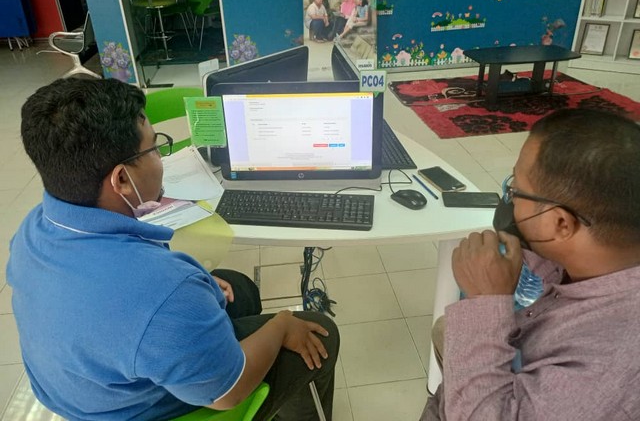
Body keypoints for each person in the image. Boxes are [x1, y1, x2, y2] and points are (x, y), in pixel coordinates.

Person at [7, 78, 339, 421]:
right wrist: (282, 326)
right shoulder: (164, 289)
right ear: (121, 179)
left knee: (238, 288)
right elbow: (227, 392)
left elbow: (129, 301)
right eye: (153, 149)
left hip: (87, 385)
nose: (161, 158)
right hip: (138, 409)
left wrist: (194, 287)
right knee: (318, 332)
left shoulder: (33, 229)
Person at [420, 108, 640, 420]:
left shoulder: (608, 367)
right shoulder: (614, 253)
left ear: (561, 223)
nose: (509, 199)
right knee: (445, 329)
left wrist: (485, 299)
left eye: (516, 191)